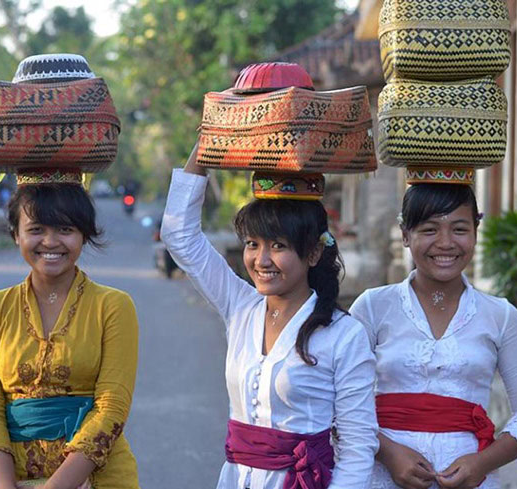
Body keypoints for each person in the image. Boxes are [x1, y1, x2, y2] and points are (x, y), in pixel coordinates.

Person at [160, 143, 378, 489]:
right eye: (252, 244)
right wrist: (208, 144)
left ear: (313, 252)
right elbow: (179, 237)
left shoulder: (345, 335)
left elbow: (357, 449)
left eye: (278, 246)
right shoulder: (241, 307)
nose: (261, 260)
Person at [350, 183, 517, 489]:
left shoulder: (501, 315)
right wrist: (388, 453)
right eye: (429, 230)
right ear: (405, 235)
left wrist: (482, 462)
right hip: (380, 476)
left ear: (475, 231)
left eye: (459, 229)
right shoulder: (373, 306)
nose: (445, 243)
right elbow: (341, 401)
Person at [0, 182, 139, 489]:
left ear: (83, 234)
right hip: (11, 479)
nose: (50, 242)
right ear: (15, 234)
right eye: (35, 229)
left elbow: (112, 407)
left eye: (64, 229)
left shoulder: (114, 306)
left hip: (100, 477)